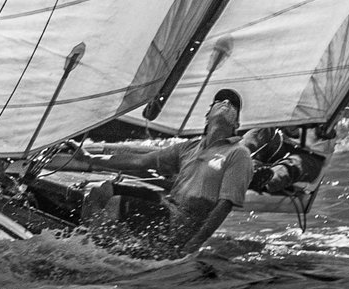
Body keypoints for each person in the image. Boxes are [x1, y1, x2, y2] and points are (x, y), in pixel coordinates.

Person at [46, 89, 255, 253]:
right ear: (207, 115)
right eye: (220, 101)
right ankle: (93, 245)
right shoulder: (188, 147)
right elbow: (140, 161)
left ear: (237, 123)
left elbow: (224, 205)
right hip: (167, 207)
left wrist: (193, 244)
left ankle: (101, 252)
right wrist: (90, 159)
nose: (226, 103)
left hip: (181, 224)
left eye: (233, 104)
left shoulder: (238, 154)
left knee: (114, 203)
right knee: (100, 190)